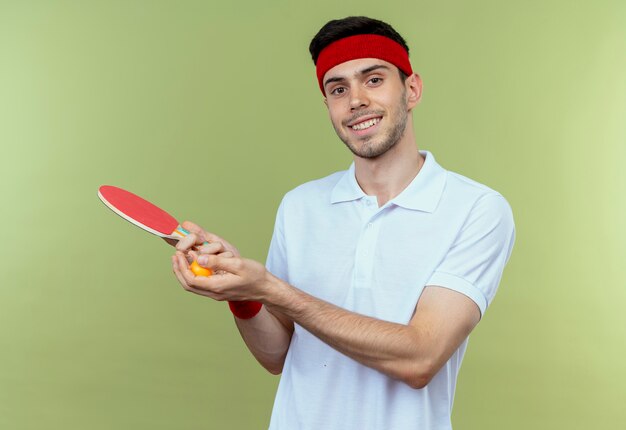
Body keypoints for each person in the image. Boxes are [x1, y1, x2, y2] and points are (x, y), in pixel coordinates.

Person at [171, 16, 515, 430]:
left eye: (373, 80)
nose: (355, 101)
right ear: (328, 106)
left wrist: (271, 288)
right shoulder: (300, 206)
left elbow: (420, 358)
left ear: (412, 89)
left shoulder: (476, 209)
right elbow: (276, 356)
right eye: (338, 89)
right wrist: (243, 295)